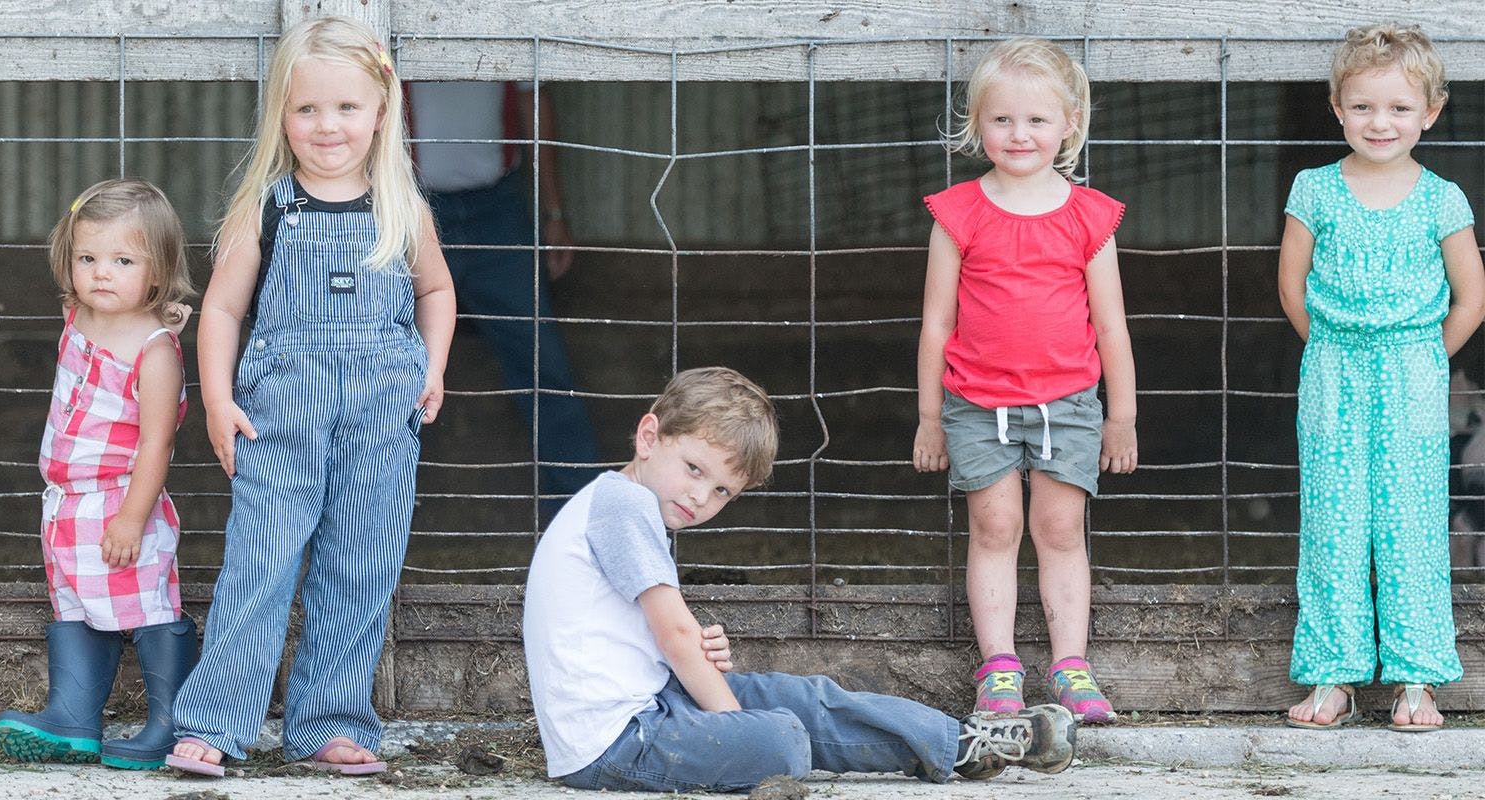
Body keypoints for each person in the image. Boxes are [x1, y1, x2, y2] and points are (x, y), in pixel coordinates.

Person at [525, 366, 1077, 792]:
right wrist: (731, 719)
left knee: (803, 698)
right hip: (613, 743)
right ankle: (945, 742)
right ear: (650, 436)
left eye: (722, 491)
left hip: (650, 703)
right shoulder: (622, 505)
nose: (700, 496)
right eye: (695, 470)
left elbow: (655, 632)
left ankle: (960, 742)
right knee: (780, 736)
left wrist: (696, 645)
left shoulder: (631, 504)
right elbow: (671, 634)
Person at [165, 15, 456, 775]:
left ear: (381, 112)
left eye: (347, 108)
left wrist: (433, 367)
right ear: (282, 116)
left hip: (381, 413)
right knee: (260, 562)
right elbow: (224, 308)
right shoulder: (265, 207)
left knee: (362, 563)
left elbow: (437, 289)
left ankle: (326, 720)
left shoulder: (403, 207)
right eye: (307, 109)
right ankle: (216, 724)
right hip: (279, 414)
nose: (328, 126)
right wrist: (220, 399)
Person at [912, 37, 1137, 724]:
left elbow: (1111, 325)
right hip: (977, 404)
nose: (1020, 134)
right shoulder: (957, 215)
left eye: (1037, 120)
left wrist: (1119, 415)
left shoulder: (1089, 217)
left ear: (1069, 124)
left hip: (1068, 403)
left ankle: (1071, 665)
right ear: (978, 124)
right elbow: (935, 324)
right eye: (1003, 119)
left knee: (1061, 526)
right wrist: (930, 417)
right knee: (995, 522)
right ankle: (1000, 668)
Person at [1278, 23, 1484, 732]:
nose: (1380, 122)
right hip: (1332, 366)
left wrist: (1425, 355)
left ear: (1430, 111)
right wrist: (1338, 347)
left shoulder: (1442, 199)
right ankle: (1332, 676)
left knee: (1412, 524)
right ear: (1338, 106)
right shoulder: (1314, 189)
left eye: (1400, 108)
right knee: (1334, 520)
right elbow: (1291, 287)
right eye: (1363, 106)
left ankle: (1416, 680)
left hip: (1414, 372)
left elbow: (1472, 296)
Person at [0, 178, 198, 770]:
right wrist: (160, 302)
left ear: (157, 270)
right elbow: (83, 293)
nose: (101, 273)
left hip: (119, 501)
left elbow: (158, 443)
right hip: (64, 503)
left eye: (123, 261)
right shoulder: (79, 314)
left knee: (146, 604)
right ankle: (73, 719)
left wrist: (133, 518)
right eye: (87, 258)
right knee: (76, 604)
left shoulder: (155, 353)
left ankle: (170, 723)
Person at [406, 81, 599, 517]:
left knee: (542, 364)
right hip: (411, 208)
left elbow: (535, 102)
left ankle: (580, 521)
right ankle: (370, 529)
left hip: (497, 211)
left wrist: (554, 214)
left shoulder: (504, 16)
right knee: (395, 372)